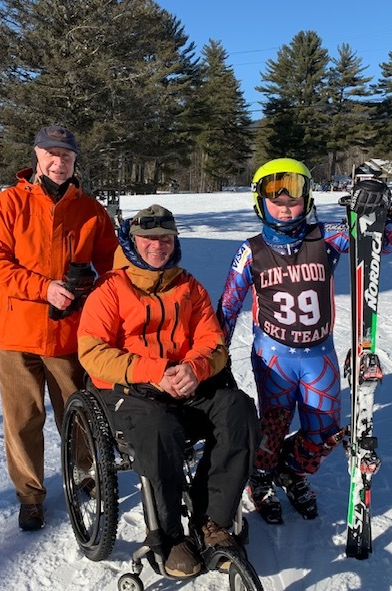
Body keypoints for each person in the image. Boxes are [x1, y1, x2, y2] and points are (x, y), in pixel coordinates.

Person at [77, 204, 259, 579]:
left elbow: (213, 341)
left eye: (164, 238)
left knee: (238, 409)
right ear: (132, 242)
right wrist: (155, 372)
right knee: (160, 429)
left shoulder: (188, 286)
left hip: (186, 380)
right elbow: (92, 353)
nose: (156, 245)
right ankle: (168, 535)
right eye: (147, 238)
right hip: (132, 387)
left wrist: (194, 368)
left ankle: (214, 522)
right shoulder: (109, 290)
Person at [217, 159, 392, 525]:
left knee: (324, 431)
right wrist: (214, 358)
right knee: (274, 425)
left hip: (319, 354)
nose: (285, 206)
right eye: (275, 198)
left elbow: (387, 245)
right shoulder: (250, 250)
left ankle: (294, 472)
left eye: (294, 198)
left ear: (308, 198)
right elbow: (227, 306)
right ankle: (261, 479)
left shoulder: (327, 235)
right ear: (259, 201)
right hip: (274, 356)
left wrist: (381, 207)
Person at [0, 125, 118, 531]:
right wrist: (43, 288)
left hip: (70, 334)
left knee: (78, 413)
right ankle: (30, 495)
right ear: (37, 156)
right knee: (22, 420)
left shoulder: (90, 209)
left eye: (67, 157)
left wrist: (106, 293)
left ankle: (89, 474)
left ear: (75, 162)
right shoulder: (9, 204)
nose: (59, 163)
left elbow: (113, 266)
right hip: (17, 333)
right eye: (52, 154)